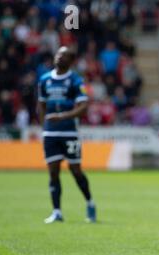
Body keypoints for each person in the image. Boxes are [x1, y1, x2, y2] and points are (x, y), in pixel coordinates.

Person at [37, 46, 96, 224]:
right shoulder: (44, 80)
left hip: (69, 132)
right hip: (51, 133)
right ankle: (57, 212)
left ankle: (90, 202)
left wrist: (61, 116)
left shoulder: (76, 81)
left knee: (75, 170)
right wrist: (44, 127)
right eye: (58, 54)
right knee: (53, 171)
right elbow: (41, 105)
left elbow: (83, 107)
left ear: (71, 61)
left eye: (64, 56)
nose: (59, 57)